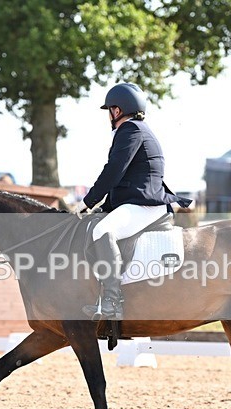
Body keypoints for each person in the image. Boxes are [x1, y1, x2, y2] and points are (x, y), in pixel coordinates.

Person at [75, 82, 191, 320]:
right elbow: (124, 181)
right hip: (137, 201)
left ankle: (112, 300)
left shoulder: (131, 130)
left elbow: (113, 172)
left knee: (103, 230)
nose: (109, 116)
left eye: (109, 110)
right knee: (99, 223)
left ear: (116, 110)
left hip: (145, 204)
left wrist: (88, 201)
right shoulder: (138, 130)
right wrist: (101, 207)